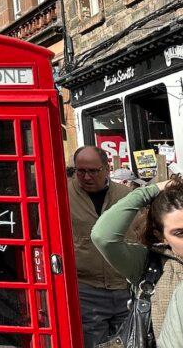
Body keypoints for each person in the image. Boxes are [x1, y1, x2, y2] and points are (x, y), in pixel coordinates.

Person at [92, 172, 183, 346]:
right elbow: (103, 236)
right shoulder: (150, 264)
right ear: (160, 236)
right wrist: (150, 190)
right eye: (179, 233)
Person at [70, 146, 133, 348]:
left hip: (123, 286)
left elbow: (140, 235)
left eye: (93, 171)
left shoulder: (126, 195)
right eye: (80, 171)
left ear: (107, 169)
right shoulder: (61, 194)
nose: (86, 177)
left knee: (128, 341)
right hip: (85, 289)